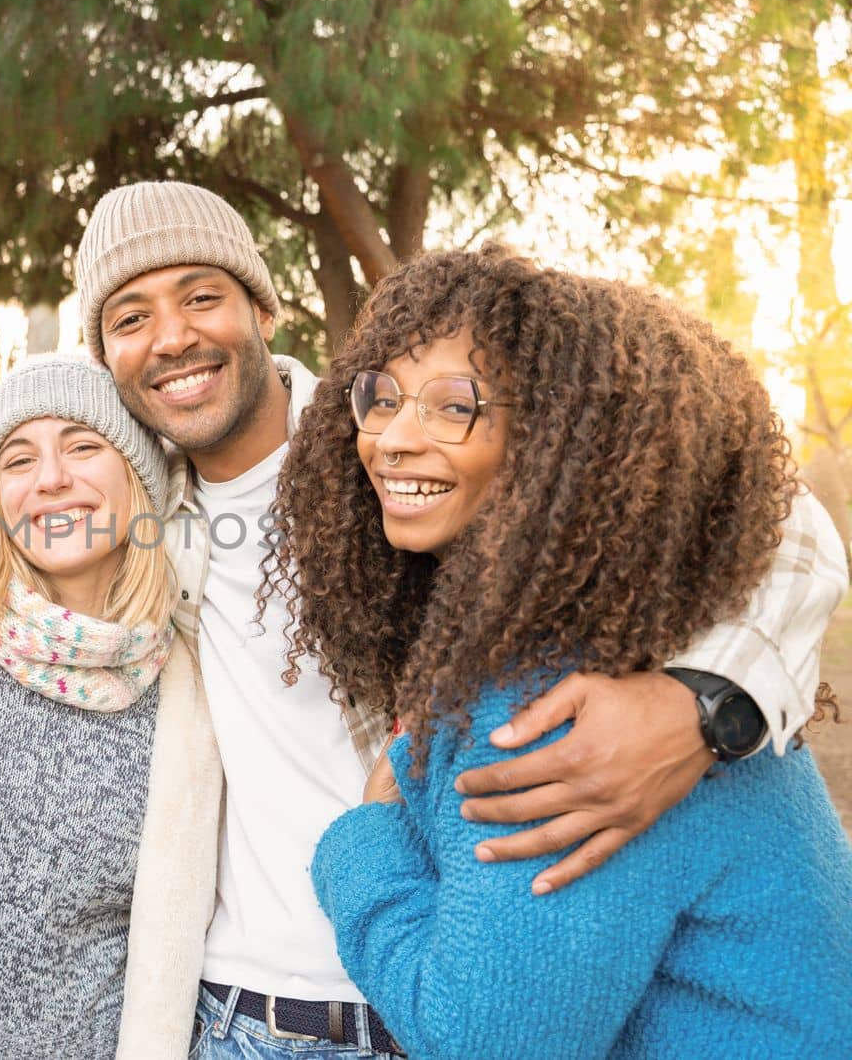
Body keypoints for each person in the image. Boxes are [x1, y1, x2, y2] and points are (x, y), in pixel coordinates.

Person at [73, 182, 847, 1058]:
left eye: (201, 296)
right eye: (129, 317)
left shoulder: (381, 464)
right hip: (243, 1007)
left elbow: (776, 523)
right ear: (104, 356)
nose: (172, 336)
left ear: (261, 305)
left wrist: (704, 705)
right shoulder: (148, 510)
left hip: (428, 982)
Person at [284, 243, 852, 1057]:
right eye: (382, 398)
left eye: (454, 406)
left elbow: (486, 1043)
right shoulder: (629, 633)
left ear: (557, 441)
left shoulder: (555, 708)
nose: (392, 439)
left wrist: (361, 848)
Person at [0, 355, 221, 1060]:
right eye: (19, 459)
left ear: (139, 475)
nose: (51, 477)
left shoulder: (194, 671)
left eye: (83, 445)